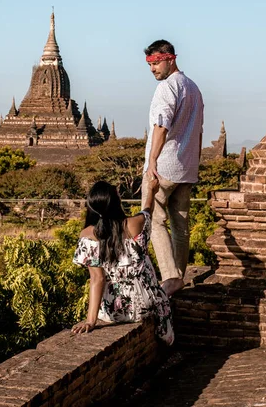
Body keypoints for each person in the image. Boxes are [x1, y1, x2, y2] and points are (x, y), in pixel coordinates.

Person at [71, 178, 174, 344]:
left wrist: (91, 320)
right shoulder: (135, 224)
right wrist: (151, 192)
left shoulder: (88, 235)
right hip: (146, 304)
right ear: (116, 202)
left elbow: (98, 279)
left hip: (115, 310)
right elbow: (148, 210)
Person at [143, 39, 204, 297]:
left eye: (157, 62)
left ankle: (169, 276)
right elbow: (198, 131)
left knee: (154, 220)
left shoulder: (168, 88)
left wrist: (152, 162)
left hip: (165, 166)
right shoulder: (193, 88)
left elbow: (161, 126)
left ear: (171, 58)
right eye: (150, 64)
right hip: (186, 167)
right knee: (180, 224)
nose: (153, 69)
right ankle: (179, 276)